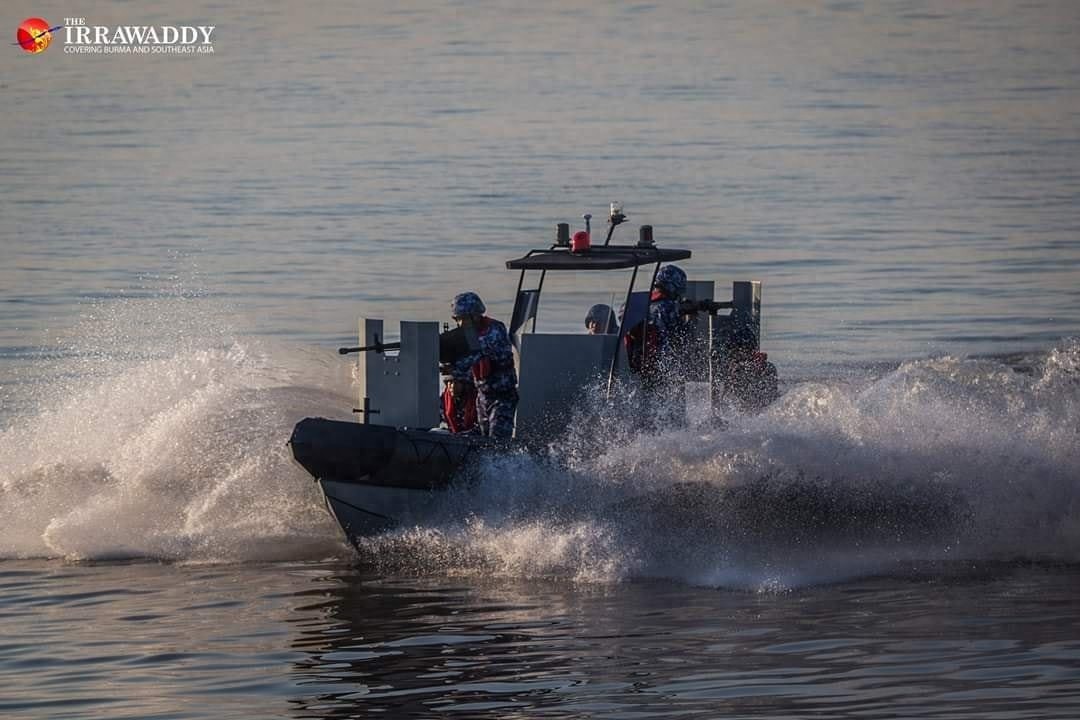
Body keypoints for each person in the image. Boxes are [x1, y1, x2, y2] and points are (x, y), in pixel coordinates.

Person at [443, 291, 518, 439]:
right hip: (483, 396)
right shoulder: (470, 335)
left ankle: (506, 462)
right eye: (458, 319)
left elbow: (479, 352)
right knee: (484, 439)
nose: (461, 323)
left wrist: (455, 364)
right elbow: (471, 370)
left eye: (464, 319)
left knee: (498, 440)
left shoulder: (495, 329)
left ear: (476, 315)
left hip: (502, 397)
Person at [720, 326, 779, 412]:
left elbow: (726, 399)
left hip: (749, 410)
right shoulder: (769, 366)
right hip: (765, 410)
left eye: (733, 351)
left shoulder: (738, 369)